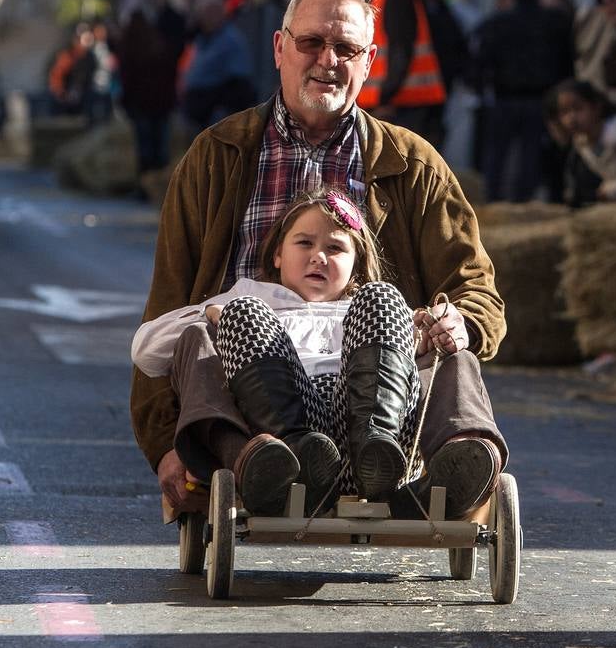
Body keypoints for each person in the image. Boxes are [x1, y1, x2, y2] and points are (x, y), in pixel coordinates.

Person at [131, 0, 509, 523]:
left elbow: (476, 288)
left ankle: (459, 463)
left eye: (347, 49)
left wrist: (462, 324)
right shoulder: (216, 157)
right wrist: (166, 445)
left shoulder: (415, 164)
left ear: (369, 59)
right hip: (251, 399)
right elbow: (166, 307)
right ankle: (258, 463)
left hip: (382, 395)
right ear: (280, 47)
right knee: (202, 334)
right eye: (311, 43)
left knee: (448, 345)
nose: (327, 60)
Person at [132, 188, 430, 515]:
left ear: (355, 267)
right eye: (305, 243)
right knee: (245, 309)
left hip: (370, 439)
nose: (319, 256)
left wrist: (420, 331)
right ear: (277, 255)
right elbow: (147, 351)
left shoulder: (365, 308)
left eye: (335, 248)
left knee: (383, 296)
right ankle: (300, 452)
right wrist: (214, 314)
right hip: (292, 446)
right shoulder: (254, 296)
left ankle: (377, 445)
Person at [473, 0, 574, 201]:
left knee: (497, 156)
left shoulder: (496, 22)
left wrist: (481, 90)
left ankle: (494, 199)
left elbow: (479, 61)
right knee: (532, 155)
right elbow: (567, 58)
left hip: (504, 98)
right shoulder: (555, 21)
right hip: (542, 97)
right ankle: (522, 200)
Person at [349, 0, 447, 148]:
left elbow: (401, 51)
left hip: (405, 105)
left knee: (406, 172)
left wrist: (385, 97)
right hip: (400, 103)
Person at [113, 10, 178, 185]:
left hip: (142, 104)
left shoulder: (130, 48)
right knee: (159, 147)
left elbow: (127, 79)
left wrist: (126, 101)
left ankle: (147, 185)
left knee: (146, 147)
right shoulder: (159, 45)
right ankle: (159, 184)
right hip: (160, 104)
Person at [553, 79, 616, 208]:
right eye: (565, 112)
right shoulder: (581, 142)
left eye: (578, 108)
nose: (571, 118)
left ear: (596, 107)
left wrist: (613, 190)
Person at [180, 0, 255, 133]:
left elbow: (239, 81)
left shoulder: (231, 41)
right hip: (199, 114)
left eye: (210, 13)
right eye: (203, 14)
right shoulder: (202, 40)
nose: (205, 19)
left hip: (216, 116)